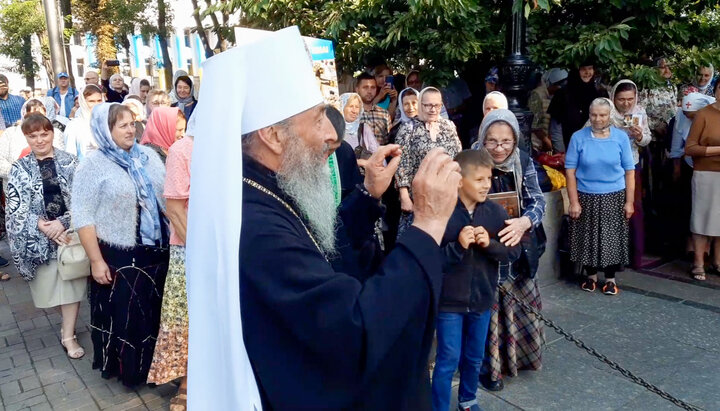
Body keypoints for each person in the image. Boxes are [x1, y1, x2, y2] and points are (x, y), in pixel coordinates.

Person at [186, 26, 462, 409]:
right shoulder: (257, 227)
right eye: (317, 118)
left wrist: (367, 196)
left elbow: (322, 251)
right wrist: (428, 225)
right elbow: (354, 330)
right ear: (273, 136)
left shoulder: (266, 186)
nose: (331, 134)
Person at [73, 103, 169, 387]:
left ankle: (159, 368)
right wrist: (95, 260)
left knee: (156, 312)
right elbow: (82, 215)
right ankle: (132, 372)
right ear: (106, 129)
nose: (130, 130)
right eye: (122, 125)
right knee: (128, 317)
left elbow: (166, 198)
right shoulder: (92, 164)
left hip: (157, 251)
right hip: (119, 254)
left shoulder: (149, 156)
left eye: (132, 123)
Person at [432, 149, 520, 411]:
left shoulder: (495, 212)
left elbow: (513, 252)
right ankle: (438, 406)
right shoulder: (442, 212)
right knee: (448, 358)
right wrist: (457, 246)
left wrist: (489, 244)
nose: (487, 185)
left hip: (482, 299)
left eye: (489, 178)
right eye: (480, 179)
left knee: (473, 357)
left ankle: (468, 399)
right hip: (448, 302)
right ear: (460, 180)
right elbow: (428, 258)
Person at [470, 109, 547, 391]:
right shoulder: (471, 163)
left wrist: (524, 221)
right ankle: (489, 368)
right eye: (492, 141)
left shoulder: (523, 160)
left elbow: (537, 199)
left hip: (518, 246)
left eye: (506, 141)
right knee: (485, 310)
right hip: (484, 249)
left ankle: (521, 359)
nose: (499, 148)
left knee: (520, 301)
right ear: (482, 139)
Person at [5, 113, 86, 358]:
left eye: (44, 133)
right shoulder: (20, 168)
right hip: (37, 239)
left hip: (69, 234)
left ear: (52, 133)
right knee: (50, 288)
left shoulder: (71, 162)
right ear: (26, 138)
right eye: (33, 136)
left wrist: (62, 223)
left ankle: (68, 336)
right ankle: (66, 325)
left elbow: (84, 199)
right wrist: (42, 226)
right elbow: (14, 205)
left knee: (71, 285)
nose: (40, 140)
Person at [147, 114, 194, 407]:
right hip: (189, 248)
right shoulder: (182, 150)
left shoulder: (233, 145)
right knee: (184, 316)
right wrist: (200, 251)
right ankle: (187, 381)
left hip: (227, 245)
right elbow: (174, 209)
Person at [566, 98, 635, 295]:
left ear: (609, 115)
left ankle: (611, 279)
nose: (598, 119)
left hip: (614, 195)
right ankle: (591, 276)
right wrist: (574, 201)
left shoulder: (621, 138)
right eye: (594, 115)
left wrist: (629, 202)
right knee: (588, 236)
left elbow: (629, 171)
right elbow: (570, 171)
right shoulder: (578, 137)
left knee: (611, 238)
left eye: (603, 115)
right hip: (586, 194)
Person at [396, 87, 462, 238]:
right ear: (421, 105)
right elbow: (402, 163)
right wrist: (404, 196)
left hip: (446, 194)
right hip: (419, 198)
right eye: (428, 105)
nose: (433, 109)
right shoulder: (408, 129)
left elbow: (458, 158)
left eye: (436, 105)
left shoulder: (448, 127)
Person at [609, 79, 651, 268]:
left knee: (633, 208)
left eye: (630, 99)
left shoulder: (639, 112)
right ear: (613, 98)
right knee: (612, 209)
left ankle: (635, 255)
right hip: (608, 167)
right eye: (621, 99)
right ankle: (614, 256)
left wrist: (640, 135)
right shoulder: (606, 111)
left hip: (631, 166)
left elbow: (647, 139)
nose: (626, 104)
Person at [668, 93, 715, 259]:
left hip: (712, 169)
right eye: (687, 116)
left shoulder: (711, 116)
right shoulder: (681, 118)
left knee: (712, 210)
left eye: (693, 116)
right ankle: (691, 248)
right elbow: (677, 147)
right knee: (691, 208)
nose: (690, 119)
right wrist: (676, 167)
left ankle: (709, 249)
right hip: (689, 166)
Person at [685, 93, 720, 280]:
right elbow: (690, 148)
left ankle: (718, 261)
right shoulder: (703, 114)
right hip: (706, 172)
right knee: (701, 218)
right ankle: (698, 262)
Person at [0, 98, 65, 192]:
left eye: (40, 115)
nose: (35, 119)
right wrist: (19, 173)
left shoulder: (56, 133)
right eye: (31, 114)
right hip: (16, 189)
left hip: (47, 189)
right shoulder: (10, 133)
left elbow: (60, 160)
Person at [548, 63, 607, 152]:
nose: (587, 72)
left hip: (597, 149)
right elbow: (556, 127)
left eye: (590, 68)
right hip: (570, 148)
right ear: (576, 71)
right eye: (583, 69)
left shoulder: (600, 93)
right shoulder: (562, 94)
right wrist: (561, 152)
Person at [529, 68, 567, 152]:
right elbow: (534, 125)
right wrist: (547, 142)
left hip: (546, 144)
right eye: (557, 85)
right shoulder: (537, 94)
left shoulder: (555, 96)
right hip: (536, 144)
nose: (559, 88)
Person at [63, 85, 104, 160]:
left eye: (99, 100)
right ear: (83, 102)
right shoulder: (74, 126)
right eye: (91, 101)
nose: (96, 104)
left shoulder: (107, 123)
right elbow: (70, 154)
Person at [339, 92, 377, 167]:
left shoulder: (364, 128)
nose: (354, 111)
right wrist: (359, 162)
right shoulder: (336, 129)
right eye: (351, 106)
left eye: (357, 107)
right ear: (342, 108)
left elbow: (376, 153)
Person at [356, 72, 391, 145]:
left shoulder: (384, 114)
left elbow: (388, 141)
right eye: (365, 87)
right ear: (357, 89)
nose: (369, 91)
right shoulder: (352, 113)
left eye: (373, 87)